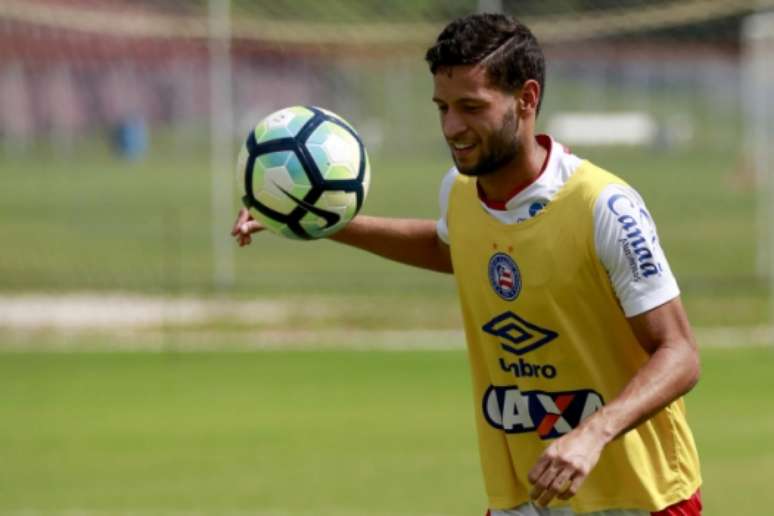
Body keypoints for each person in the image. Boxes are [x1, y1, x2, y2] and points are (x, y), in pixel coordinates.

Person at [231, 13, 702, 516]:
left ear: (526, 99)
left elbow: (679, 352)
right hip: (523, 497)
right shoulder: (460, 194)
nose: (452, 127)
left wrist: (594, 433)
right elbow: (451, 249)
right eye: (443, 108)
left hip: (637, 498)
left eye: (471, 107)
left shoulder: (604, 206)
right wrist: (321, 220)